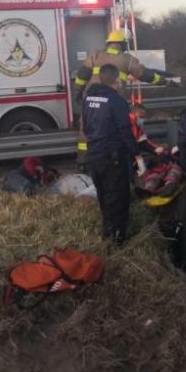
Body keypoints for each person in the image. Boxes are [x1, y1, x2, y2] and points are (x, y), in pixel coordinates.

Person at [74, 29, 173, 170]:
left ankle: (82, 163)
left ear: (108, 43)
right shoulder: (127, 59)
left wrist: (78, 93)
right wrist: (165, 82)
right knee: (117, 130)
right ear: (122, 44)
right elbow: (146, 75)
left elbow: (82, 75)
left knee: (85, 131)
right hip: (113, 102)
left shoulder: (95, 55)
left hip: (92, 101)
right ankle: (118, 163)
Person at [82, 64, 137, 244]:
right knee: (118, 196)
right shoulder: (117, 101)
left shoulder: (88, 97)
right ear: (116, 80)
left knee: (104, 195)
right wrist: (135, 152)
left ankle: (107, 233)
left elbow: (86, 123)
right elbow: (124, 130)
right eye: (120, 80)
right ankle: (117, 239)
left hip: (94, 154)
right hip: (113, 156)